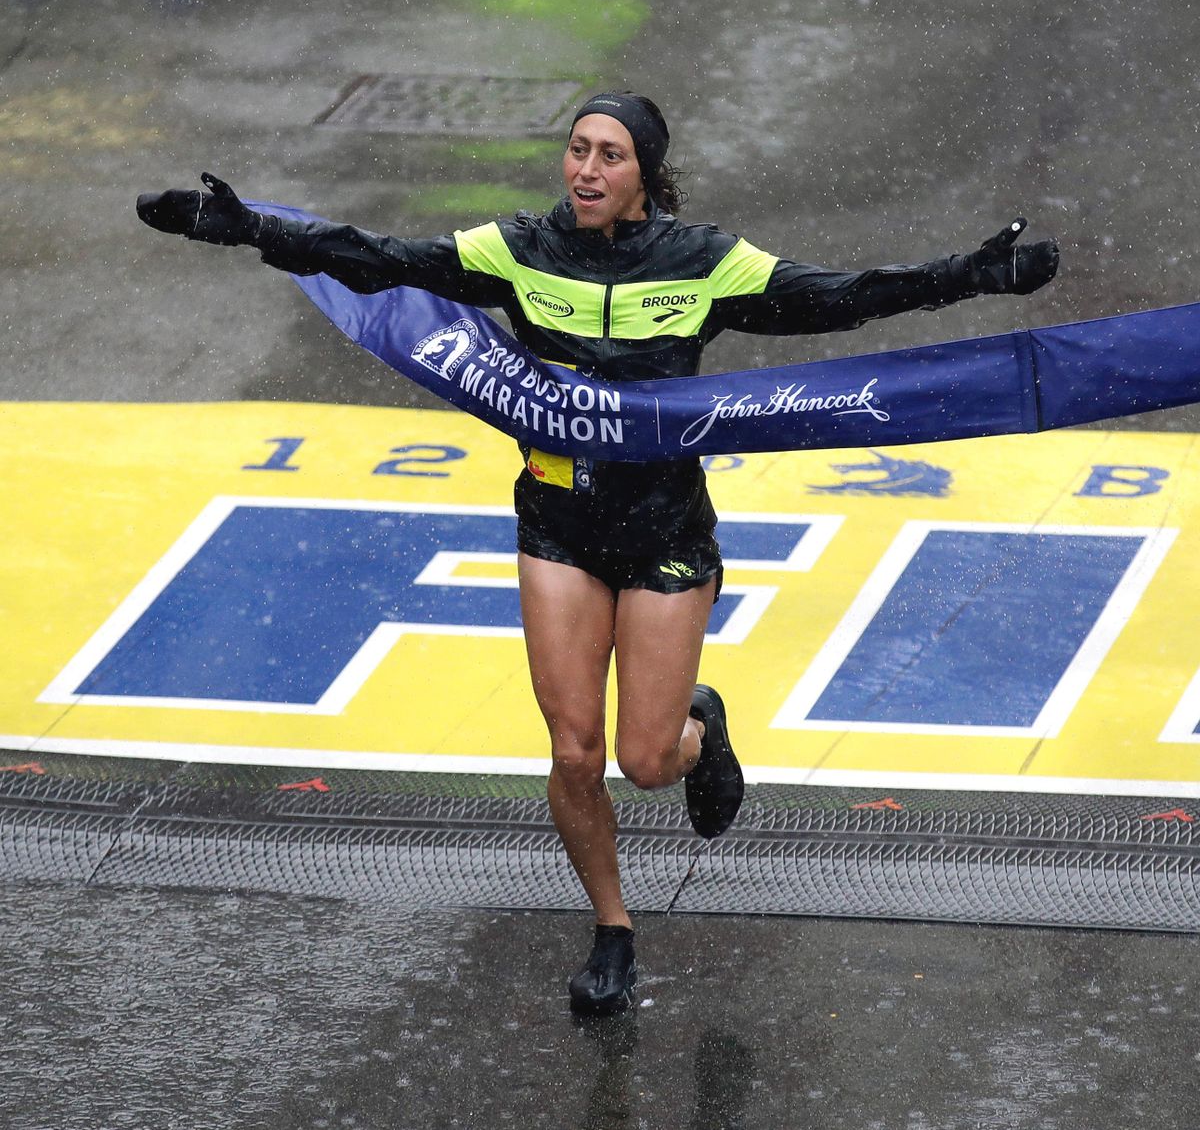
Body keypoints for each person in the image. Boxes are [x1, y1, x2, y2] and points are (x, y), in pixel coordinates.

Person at [136, 91, 1059, 1016]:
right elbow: (379, 262)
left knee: (644, 759)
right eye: (576, 150)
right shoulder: (519, 249)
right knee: (575, 753)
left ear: (645, 177)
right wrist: (249, 227)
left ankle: (700, 729)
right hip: (559, 526)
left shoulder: (704, 263)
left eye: (608, 156)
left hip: (664, 532)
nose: (585, 170)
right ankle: (612, 928)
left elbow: (841, 298)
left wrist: (970, 275)